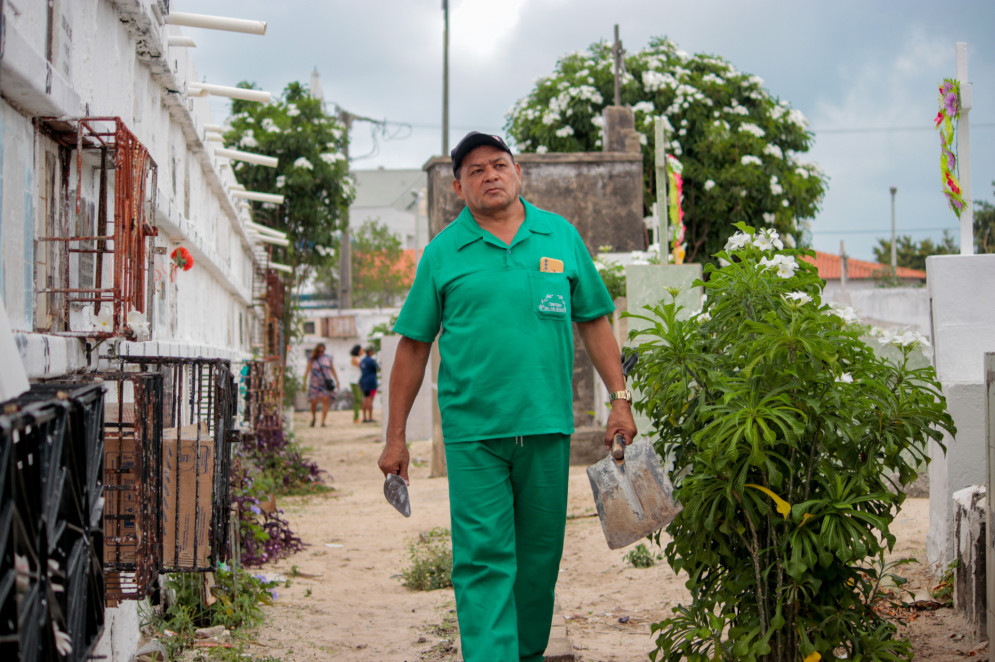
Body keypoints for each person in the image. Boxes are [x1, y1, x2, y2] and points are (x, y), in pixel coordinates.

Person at [377, 131, 637, 662]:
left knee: (539, 559)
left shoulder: (559, 238)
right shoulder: (443, 253)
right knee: (483, 560)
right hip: (474, 435)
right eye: (475, 170)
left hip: (546, 426)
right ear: (457, 187)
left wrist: (620, 397)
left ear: (519, 174)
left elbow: (594, 319)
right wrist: (396, 437)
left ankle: (526, 653)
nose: (490, 175)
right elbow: (413, 347)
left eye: (499, 165)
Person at [306, 343, 339, 427]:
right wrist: (304, 381)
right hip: (315, 383)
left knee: (326, 400)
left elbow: (332, 369)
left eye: (322, 351)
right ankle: (314, 418)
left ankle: (323, 421)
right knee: (314, 402)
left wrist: (337, 381)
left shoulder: (328, 358)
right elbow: (307, 370)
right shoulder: (312, 358)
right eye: (319, 351)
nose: (321, 352)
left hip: (325, 382)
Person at [358, 346, 379, 423]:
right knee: (370, 399)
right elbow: (377, 368)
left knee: (365, 398)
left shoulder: (362, 361)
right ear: (370, 352)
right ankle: (370, 417)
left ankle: (364, 417)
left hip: (364, 380)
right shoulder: (371, 361)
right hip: (371, 381)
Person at [348, 343, 363, 424]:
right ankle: (356, 417)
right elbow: (361, 366)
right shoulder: (355, 358)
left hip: (357, 381)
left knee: (358, 399)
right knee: (358, 399)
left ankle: (357, 417)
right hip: (354, 381)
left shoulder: (357, 358)